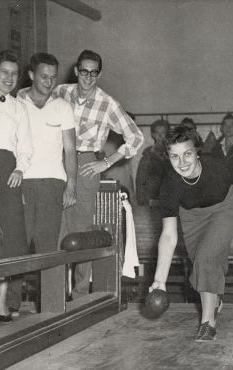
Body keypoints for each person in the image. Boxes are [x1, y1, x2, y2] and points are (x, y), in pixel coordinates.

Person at [151, 126, 233, 341]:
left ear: (197, 151)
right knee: (201, 260)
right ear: (167, 157)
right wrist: (159, 280)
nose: (182, 163)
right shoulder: (169, 185)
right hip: (193, 214)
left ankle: (208, 323)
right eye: (174, 156)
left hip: (228, 204)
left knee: (206, 258)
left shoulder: (219, 165)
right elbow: (168, 235)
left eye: (187, 154)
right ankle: (214, 301)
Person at [53, 49, 144, 298]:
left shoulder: (108, 103)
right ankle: (56, 293)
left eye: (94, 73)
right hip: (55, 160)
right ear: (76, 71)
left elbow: (136, 136)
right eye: (84, 72)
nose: (88, 78)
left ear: (99, 74)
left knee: (81, 230)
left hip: (85, 163)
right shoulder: (61, 92)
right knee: (56, 229)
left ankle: (80, 294)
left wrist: (107, 162)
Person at [16, 52, 77, 311]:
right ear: (31, 75)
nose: (49, 82)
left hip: (53, 182)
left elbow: (71, 150)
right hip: (22, 181)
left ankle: (51, 305)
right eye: (43, 77)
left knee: (47, 245)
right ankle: (11, 305)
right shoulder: (16, 101)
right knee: (18, 243)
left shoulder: (63, 106)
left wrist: (71, 184)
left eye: (53, 77)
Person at [0, 50, 33, 320]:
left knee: (10, 240)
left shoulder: (19, 106)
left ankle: (0, 301)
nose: (10, 78)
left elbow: (25, 147)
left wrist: (20, 170)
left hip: (9, 174)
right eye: (4, 72)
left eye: (14, 73)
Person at [135, 119, 170, 206]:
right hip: (152, 201)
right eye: (157, 133)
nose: (160, 136)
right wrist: (142, 201)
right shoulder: (147, 156)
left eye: (163, 133)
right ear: (153, 135)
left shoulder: (174, 155)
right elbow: (140, 181)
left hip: (170, 199)